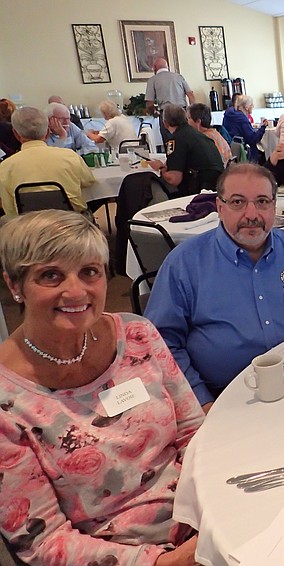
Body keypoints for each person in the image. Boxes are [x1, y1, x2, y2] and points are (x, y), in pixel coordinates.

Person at [0, 210, 204, 565]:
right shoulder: (7, 399)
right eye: (51, 275)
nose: (76, 291)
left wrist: (217, 508)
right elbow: (43, 541)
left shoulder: (137, 334)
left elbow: (192, 432)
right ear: (15, 285)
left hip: (203, 516)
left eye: (89, 272)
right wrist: (166, 562)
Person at [145, 163, 284, 409]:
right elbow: (162, 343)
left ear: (275, 206)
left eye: (262, 202)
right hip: (222, 399)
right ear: (219, 208)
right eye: (237, 202)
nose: (252, 214)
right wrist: (202, 401)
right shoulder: (185, 264)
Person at [0, 107, 95, 218]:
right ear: (47, 133)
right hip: (71, 221)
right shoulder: (70, 157)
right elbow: (89, 181)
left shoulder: (5, 167)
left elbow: (10, 209)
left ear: (16, 134)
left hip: (28, 226)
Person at [148, 104, 224, 197]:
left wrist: (160, 169)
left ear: (165, 123)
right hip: (217, 187)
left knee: (154, 187)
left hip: (199, 190)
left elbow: (174, 179)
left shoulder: (176, 139)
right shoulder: (197, 134)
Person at [145, 58, 195, 147]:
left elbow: (150, 103)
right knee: (186, 138)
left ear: (154, 67)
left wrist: (154, 113)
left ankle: (172, 159)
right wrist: (191, 111)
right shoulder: (178, 77)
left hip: (166, 113)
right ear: (167, 66)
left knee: (169, 143)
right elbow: (190, 95)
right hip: (182, 111)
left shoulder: (153, 80)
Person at [222, 94, 269, 162]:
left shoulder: (228, 115)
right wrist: (263, 127)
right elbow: (253, 139)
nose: (253, 106)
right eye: (252, 104)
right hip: (244, 152)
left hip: (231, 149)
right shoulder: (242, 119)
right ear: (246, 107)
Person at [188, 102, 232, 166]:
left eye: (189, 118)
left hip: (219, 174)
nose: (187, 121)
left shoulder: (204, 139)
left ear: (198, 122)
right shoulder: (215, 133)